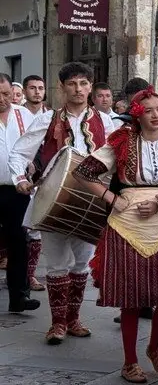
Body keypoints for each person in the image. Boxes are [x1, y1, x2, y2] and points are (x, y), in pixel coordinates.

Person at [74, 87, 158, 383]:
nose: (156, 115)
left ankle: (154, 348)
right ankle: (129, 361)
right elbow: (83, 173)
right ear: (137, 114)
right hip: (126, 226)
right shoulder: (121, 143)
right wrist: (113, 199)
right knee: (131, 298)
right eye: (149, 110)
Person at [10, 62, 115, 343]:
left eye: (83, 84)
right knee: (57, 264)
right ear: (62, 87)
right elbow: (19, 153)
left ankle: (74, 320)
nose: (78, 89)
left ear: (91, 87)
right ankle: (57, 324)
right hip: (54, 199)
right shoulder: (47, 119)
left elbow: (116, 160)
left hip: (92, 202)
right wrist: (20, 178)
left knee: (81, 264)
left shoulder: (106, 122)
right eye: (72, 84)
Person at [0, 74, 39, 313]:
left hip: (17, 190)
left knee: (18, 243)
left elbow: (37, 147)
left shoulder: (24, 115)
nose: (3, 99)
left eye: (5, 93)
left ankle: (18, 296)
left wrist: (33, 165)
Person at [21, 74, 47, 291]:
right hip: (18, 178)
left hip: (42, 177)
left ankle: (30, 275)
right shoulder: (17, 114)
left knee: (35, 229)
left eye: (40, 88)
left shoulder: (52, 116)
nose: (37, 92)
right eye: (32, 88)